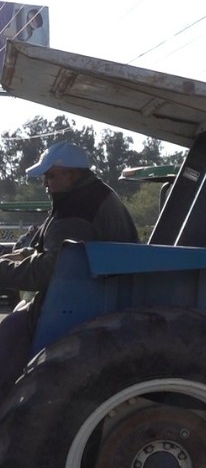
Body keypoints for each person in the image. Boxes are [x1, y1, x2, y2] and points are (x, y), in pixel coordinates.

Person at [0, 141, 139, 393]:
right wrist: (27, 253)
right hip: (98, 292)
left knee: (10, 332)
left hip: (84, 301)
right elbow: (68, 252)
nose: (45, 183)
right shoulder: (93, 196)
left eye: (51, 176)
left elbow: (48, 271)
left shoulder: (76, 210)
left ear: (73, 174)